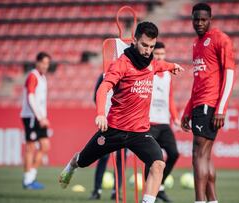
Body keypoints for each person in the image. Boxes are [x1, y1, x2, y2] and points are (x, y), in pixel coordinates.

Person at [59, 22, 184, 203]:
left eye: (151, 46)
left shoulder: (151, 63)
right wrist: (101, 113)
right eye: (144, 45)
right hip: (115, 130)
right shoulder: (121, 64)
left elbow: (159, 65)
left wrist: (172, 66)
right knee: (84, 161)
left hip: (140, 132)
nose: (148, 50)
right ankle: (72, 164)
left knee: (158, 164)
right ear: (134, 41)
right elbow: (104, 88)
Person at [181, 3, 236, 203]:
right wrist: (188, 110)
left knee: (198, 154)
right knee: (205, 156)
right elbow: (198, 82)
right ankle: (212, 200)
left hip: (209, 104)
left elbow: (229, 75)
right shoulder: (196, 44)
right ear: (192, 19)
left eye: (204, 19)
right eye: (196, 19)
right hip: (199, 104)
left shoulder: (220, 39)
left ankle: (199, 201)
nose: (199, 23)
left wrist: (221, 109)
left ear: (210, 19)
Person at [145, 42, 180, 203]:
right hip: (149, 122)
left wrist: (175, 117)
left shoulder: (167, 75)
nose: (159, 57)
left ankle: (159, 186)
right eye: (156, 54)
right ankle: (150, 192)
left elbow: (170, 97)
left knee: (173, 154)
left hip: (164, 123)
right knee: (151, 157)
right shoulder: (147, 71)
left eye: (162, 54)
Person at [90, 73, 127, 201]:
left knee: (121, 158)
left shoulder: (128, 73)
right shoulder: (104, 75)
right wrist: (102, 113)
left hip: (124, 124)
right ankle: (97, 190)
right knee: (103, 156)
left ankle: (116, 191)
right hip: (106, 122)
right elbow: (97, 95)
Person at [20, 52, 51, 190]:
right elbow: (30, 97)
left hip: (39, 117)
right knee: (30, 147)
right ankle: (28, 180)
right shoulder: (33, 76)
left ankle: (31, 177)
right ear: (37, 62)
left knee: (45, 146)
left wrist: (43, 116)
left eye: (47, 64)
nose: (46, 66)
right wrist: (40, 117)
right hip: (32, 117)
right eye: (44, 63)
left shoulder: (42, 77)